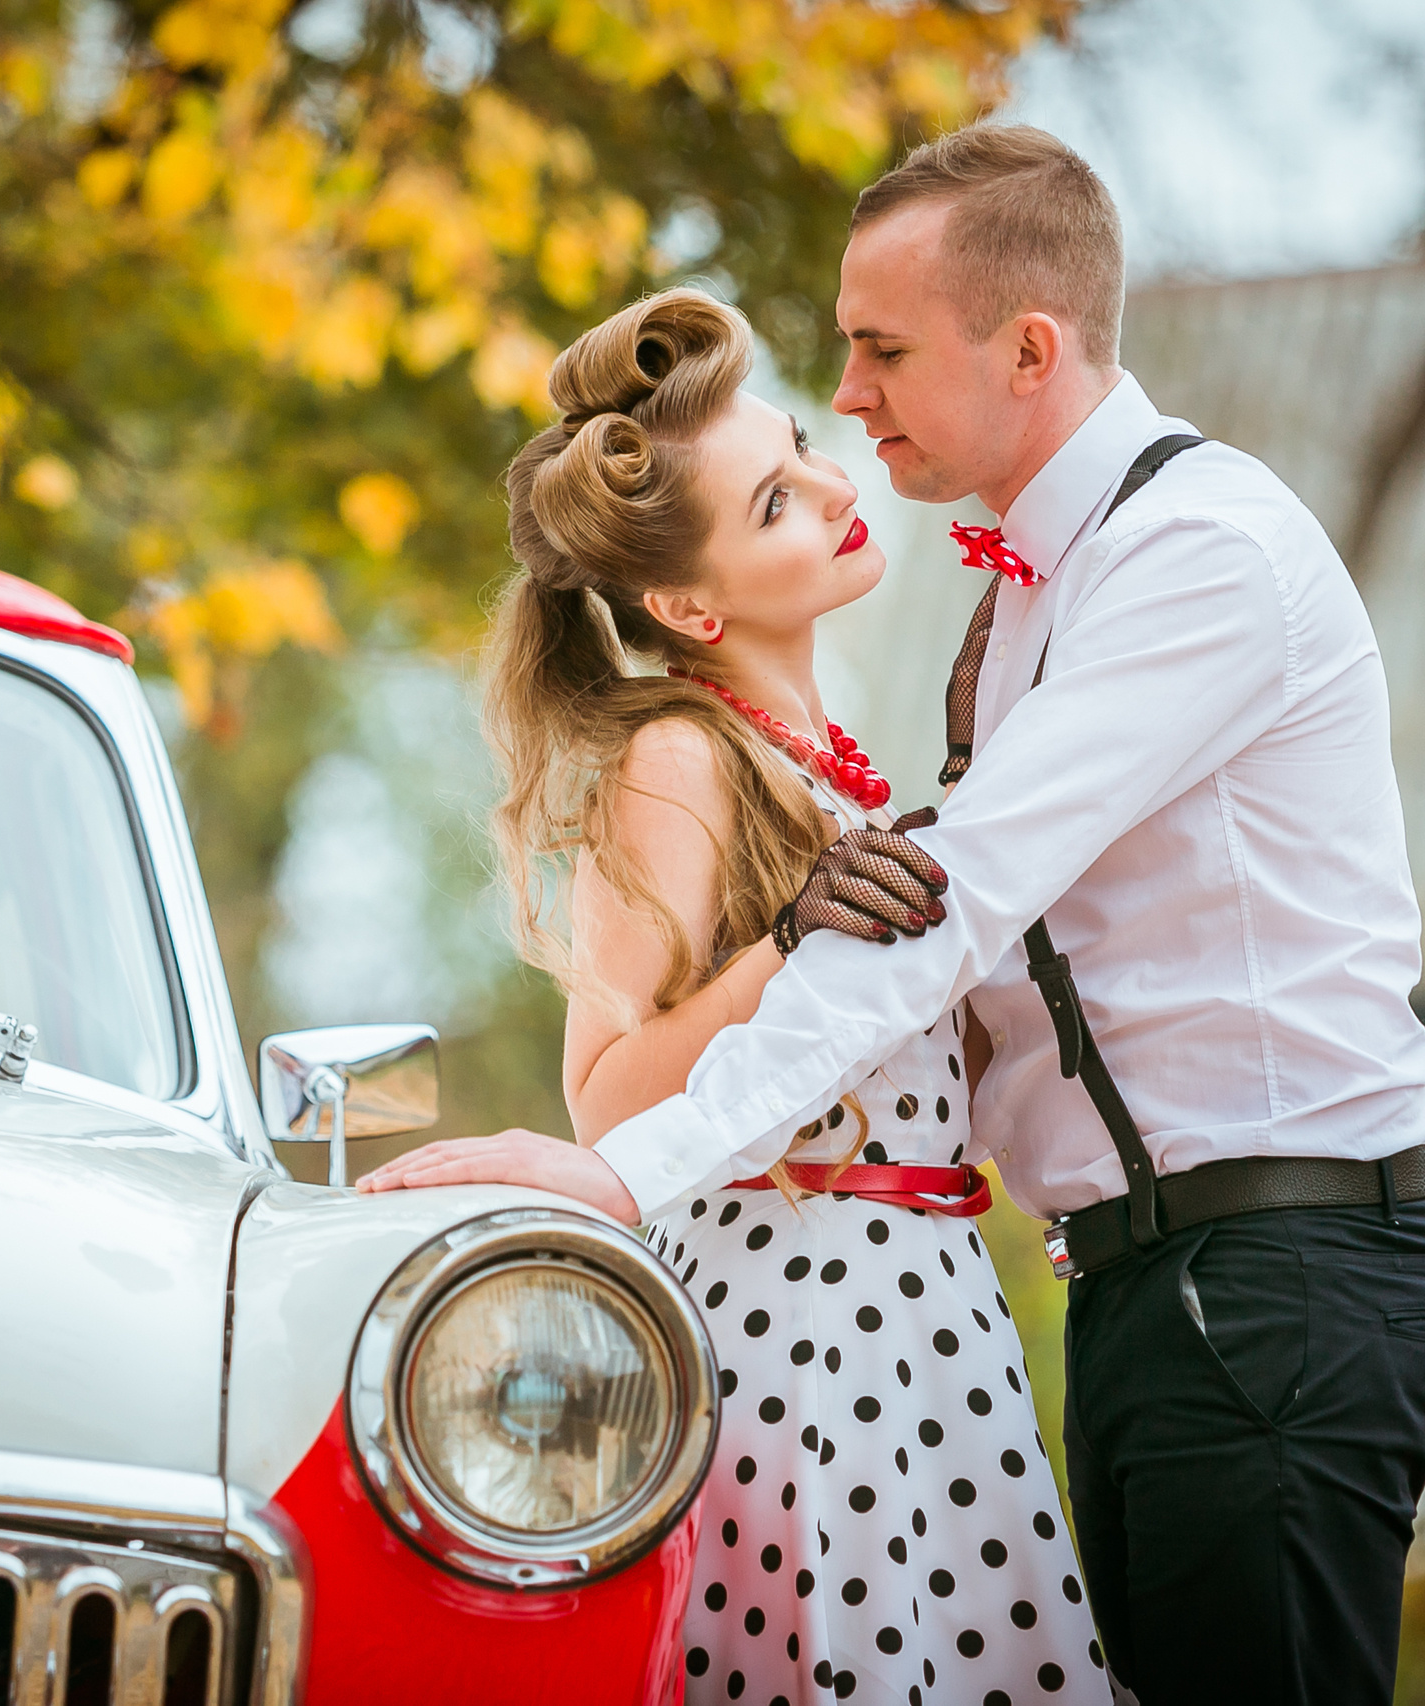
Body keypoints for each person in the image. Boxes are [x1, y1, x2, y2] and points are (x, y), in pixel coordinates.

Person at [369, 126, 1425, 1706]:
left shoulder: (1190, 559)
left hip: (1269, 1269)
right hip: (1067, 1300)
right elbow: (903, 968)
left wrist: (626, 1171)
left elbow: (954, 922)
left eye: (880, 349)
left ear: (1028, 347)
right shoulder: (998, 612)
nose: (848, 406)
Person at [361, 287, 1098, 1705]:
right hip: (805, 1334)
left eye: (806, 449)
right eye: (774, 501)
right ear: (690, 604)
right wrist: (784, 941)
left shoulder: (826, 757)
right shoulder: (678, 762)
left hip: (923, 1321)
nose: (831, 487)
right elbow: (605, 1092)